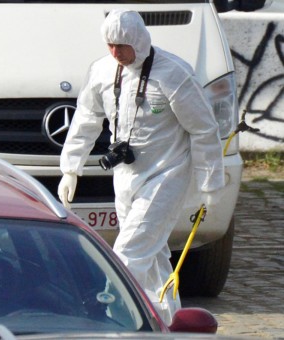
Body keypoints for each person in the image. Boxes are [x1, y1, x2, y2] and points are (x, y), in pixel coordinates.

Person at [58, 9, 224, 324]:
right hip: (125, 176)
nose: (116, 52)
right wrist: (71, 168)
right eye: (110, 45)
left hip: (167, 173)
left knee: (130, 250)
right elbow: (86, 119)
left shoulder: (173, 73)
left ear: (139, 40)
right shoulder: (102, 71)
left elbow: (203, 128)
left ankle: (113, 317)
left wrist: (210, 184)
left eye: (122, 45)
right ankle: (167, 319)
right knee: (155, 254)